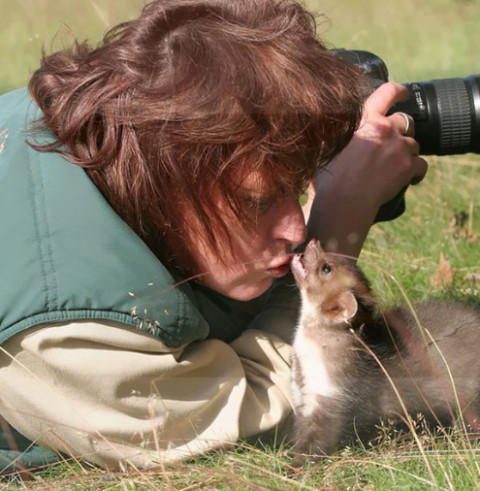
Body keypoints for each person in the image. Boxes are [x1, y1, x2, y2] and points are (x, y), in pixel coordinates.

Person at [0, 0, 427, 471]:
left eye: (296, 189)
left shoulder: (77, 122)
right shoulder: (68, 327)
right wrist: (342, 218)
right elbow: (247, 415)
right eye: (257, 202)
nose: (296, 228)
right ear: (164, 182)